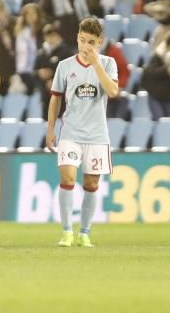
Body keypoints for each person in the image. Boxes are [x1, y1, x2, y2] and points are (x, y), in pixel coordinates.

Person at [46, 17, 118, 247]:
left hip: (97, 135)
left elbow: (113, 91)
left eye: (91, 42)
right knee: (67, 178)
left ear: (99, 42)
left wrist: (96, 64)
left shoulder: (108, 63)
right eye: (82, 40)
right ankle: (67, 231)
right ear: (77, 38)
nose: (85, 46)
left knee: (91, 185)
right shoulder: (65, 66)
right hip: (71, 133)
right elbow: (55, 99)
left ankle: (84, 233)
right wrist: (50, 129)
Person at [14, 3, 44, 93]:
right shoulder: (22, 32)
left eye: (33, 13)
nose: (31, 16)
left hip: (40, 69)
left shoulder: (43, 31)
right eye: (28, 14)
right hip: (25, 71)